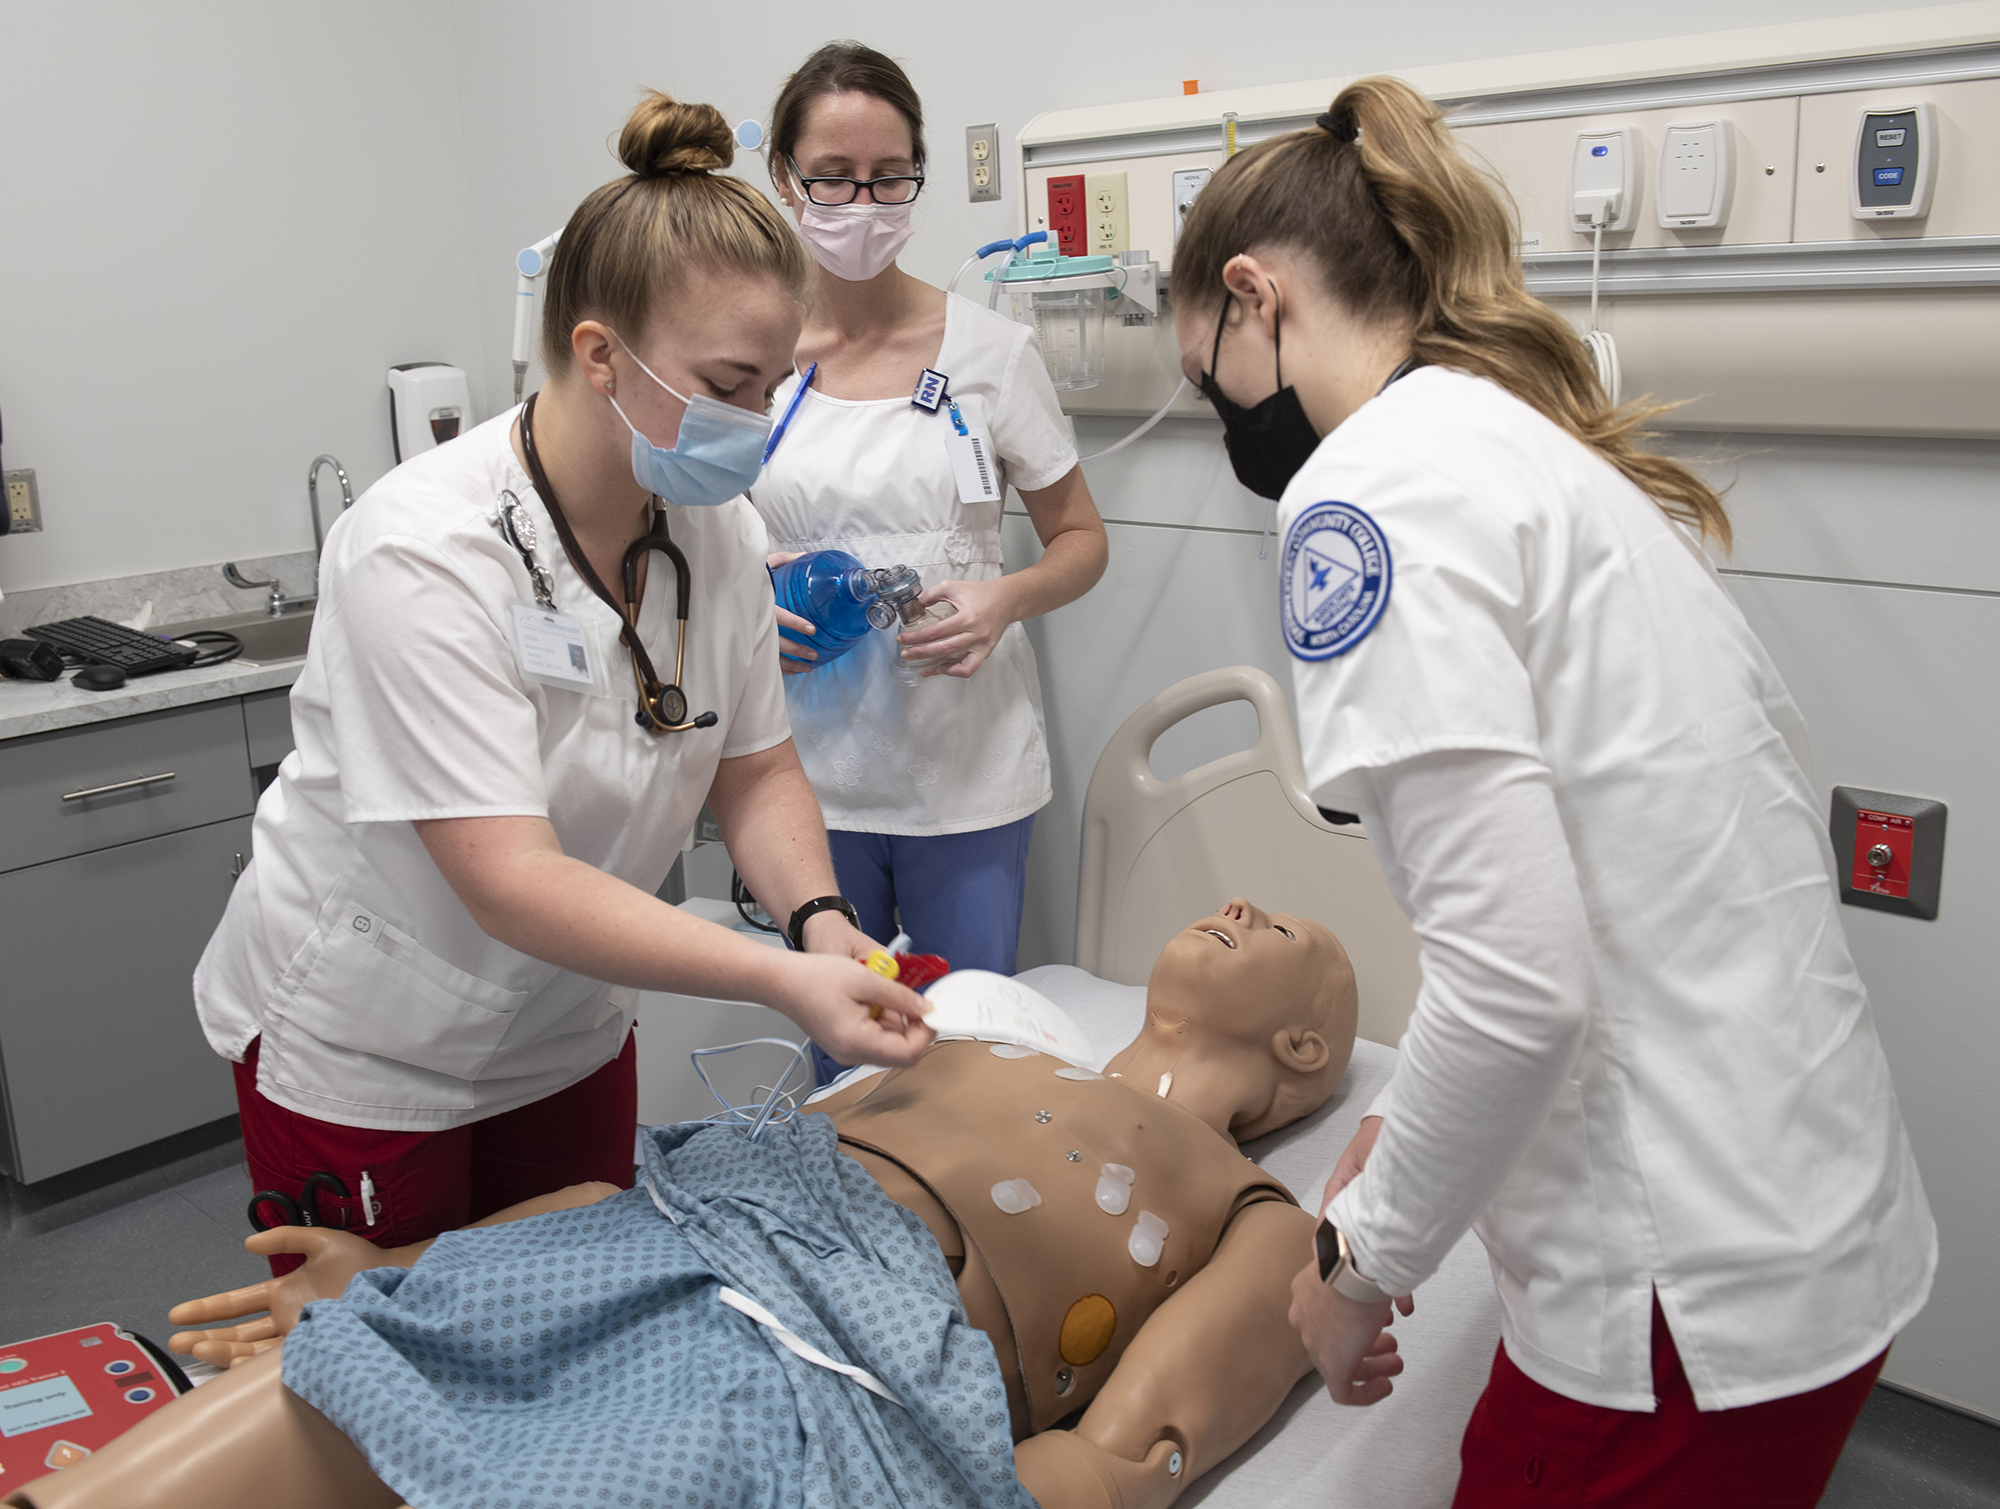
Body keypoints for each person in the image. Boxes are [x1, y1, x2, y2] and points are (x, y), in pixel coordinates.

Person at [1172, 76, 1937, 1507]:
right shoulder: (1538, 455)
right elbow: (1612, 869)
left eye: (1201, 367)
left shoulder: (1370, 494)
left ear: (1251, 296)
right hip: (1804, 1209)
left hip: (1675, 1297)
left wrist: (1359, 1263)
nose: (1217, 410)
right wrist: (1409, 1136)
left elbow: (1519, 983)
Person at [191, 90, 931, 1275]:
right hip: (378, 1043)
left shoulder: (715, 531)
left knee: (573, 1327)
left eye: (772, 388)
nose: (757, 424)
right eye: (730, 384)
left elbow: (756, 767)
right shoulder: (423, 548)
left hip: (569, 1028)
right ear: (599, 355)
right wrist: (780, 980)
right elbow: (508, 879)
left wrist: (821, 922)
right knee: (385, 1379)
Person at [19, 901, 1355, 1509]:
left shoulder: (1265, 1217)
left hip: (855, 1343)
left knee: (613, 1464)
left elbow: (1139, 1450)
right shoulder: (985, 1036)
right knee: (362, 1356)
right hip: (706, 1208)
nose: (1238, 905)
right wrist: (407, 1262)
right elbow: (648, 1197)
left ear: (1306, 1049)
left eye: (1282, 930)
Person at [750, 43, 1109, 1076]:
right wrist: (739, 609)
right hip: (803, 779)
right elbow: (680, 541)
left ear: (916, 174)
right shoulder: (752, 353)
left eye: (889, 177)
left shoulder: (990, 354)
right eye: (831, 177)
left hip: (965, 771)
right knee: (842, 1067)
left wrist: (1006, 598)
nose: (861, 203)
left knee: (969, 1059)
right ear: (783, 176)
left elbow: (1081, 540)